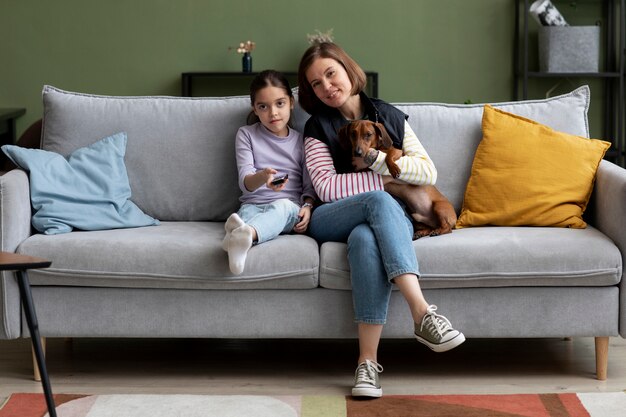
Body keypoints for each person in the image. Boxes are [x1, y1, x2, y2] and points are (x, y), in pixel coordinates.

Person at [297, 42, 465, 398]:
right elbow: (326, 187)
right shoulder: (316, 128)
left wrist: (378, 165)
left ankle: (366, 366)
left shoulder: (389, 117)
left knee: (365, 240)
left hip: (386, 218)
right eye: (315, 83)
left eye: (331, 73)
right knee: (377, 198)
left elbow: (428, 171)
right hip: (332, 217)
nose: (326, 86)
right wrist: (385, 179)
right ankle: (422, 313)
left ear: (347, 70)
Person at [223, 69, 316, 275]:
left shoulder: (302, 141)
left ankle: (243, 235)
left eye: (280, 103)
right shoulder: (246, 134)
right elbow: (245, 182)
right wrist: (263, 177)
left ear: (291, 102)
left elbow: (310, 186)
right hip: (252, 205)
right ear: (254, 109)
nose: (273, 113)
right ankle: (240, 235)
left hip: (288, 209)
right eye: (263, 106)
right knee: (244, 215)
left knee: (280, 206)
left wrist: (308, 207)